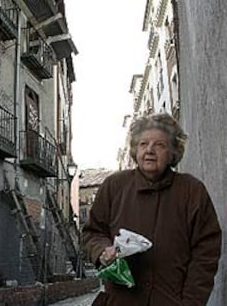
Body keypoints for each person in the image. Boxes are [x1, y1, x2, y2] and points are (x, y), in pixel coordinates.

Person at [82, 113, 221, 306]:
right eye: (143, 144)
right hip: (121, 300)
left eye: (159, 145)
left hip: (171, 300)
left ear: (173, 152)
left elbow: (206, 253)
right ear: (135, 149)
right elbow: (92, 232)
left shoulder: (192, 190)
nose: (149, 150)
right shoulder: (114, 185)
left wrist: (191, 302)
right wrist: (102, 251)